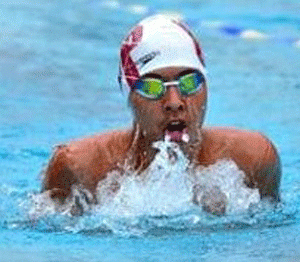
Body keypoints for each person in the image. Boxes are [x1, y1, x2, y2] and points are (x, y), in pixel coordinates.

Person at [41, 15, 281, 216]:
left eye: (189, 82)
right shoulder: (80, 169)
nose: (175, 102)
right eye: (152, 86)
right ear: (129, 96)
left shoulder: (253, 160)